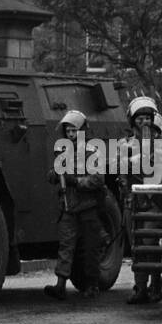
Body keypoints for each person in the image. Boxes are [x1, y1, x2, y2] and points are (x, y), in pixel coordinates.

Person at [44, 110, 106, 301]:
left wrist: (76, 182)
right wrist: (55, 175)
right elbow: (53, 174)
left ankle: (92, 284)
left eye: (74, 131)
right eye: (68, 131)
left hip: (87, 207)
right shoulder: (64, 151)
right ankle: (61, 284)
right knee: (66, 246)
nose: (71, 134)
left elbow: (97, 180)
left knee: (90, 248)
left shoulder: (91, 151)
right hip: (69, 206)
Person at [124, 96, 162, 305]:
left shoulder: (158, 144)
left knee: (150, 244)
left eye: (147, 118)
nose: (143, 122)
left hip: (153, 202)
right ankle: (140, 287)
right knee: (136, 247)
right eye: (139, 118)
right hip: (132, 202)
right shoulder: (124, 144)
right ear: (133, 120)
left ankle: (156, 284)